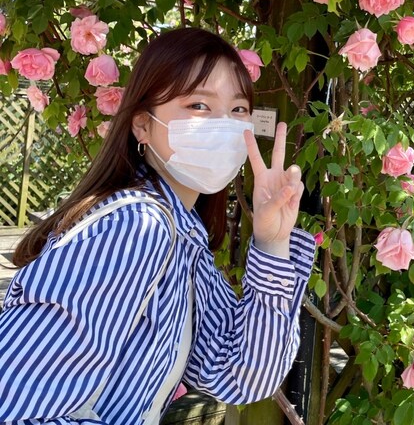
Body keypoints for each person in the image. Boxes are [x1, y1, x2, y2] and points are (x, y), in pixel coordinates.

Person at [0, 27, 315, 424]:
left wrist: (272, 244)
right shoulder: (136, 228)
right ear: (142, 125)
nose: (224, 124)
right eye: (199, 105)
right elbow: (17, 409)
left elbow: (242, 375)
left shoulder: (181, 235)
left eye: (238, 110)